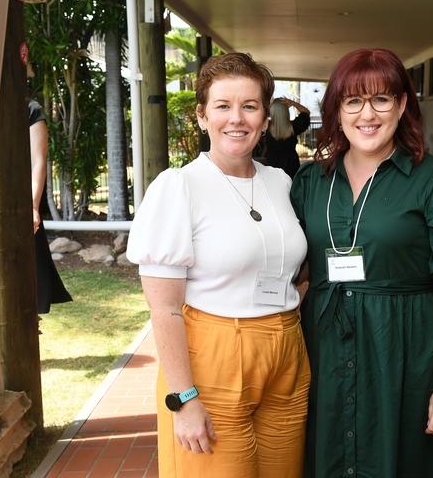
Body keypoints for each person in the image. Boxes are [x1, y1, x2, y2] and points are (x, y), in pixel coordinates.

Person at [290, 48, 433, 477]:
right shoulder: (310, 182)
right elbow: (294, 267)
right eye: (353, 101)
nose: (368, 114)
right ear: (337, 111)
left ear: (402, 105)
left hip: (405, 351)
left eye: (381, 99)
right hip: (323, 352)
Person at [127, 52, 310, 478]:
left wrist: (294, 293)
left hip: (286, 353)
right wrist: (183, 399)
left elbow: (295, 261)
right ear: (201, 116)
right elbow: (164, 309)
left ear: (266, 119)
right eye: (223, 106)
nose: (237, 119)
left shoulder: (280, 183)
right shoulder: (179, 188)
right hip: (214, 357)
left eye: (249, 106)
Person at [29, 99, 72, 314]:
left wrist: (33, 206)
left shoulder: (30, 108)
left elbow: (38, 162)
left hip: (20, 206)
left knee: (31, 291)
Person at [262, 97, 310, 178]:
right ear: (286, 111)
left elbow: (257, 115)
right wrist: (293, 103)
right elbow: (306, 112)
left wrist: (269, 107)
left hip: (271, 166)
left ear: (272, 111)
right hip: (291, 166)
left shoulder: (265, 127)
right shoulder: (294, 127)